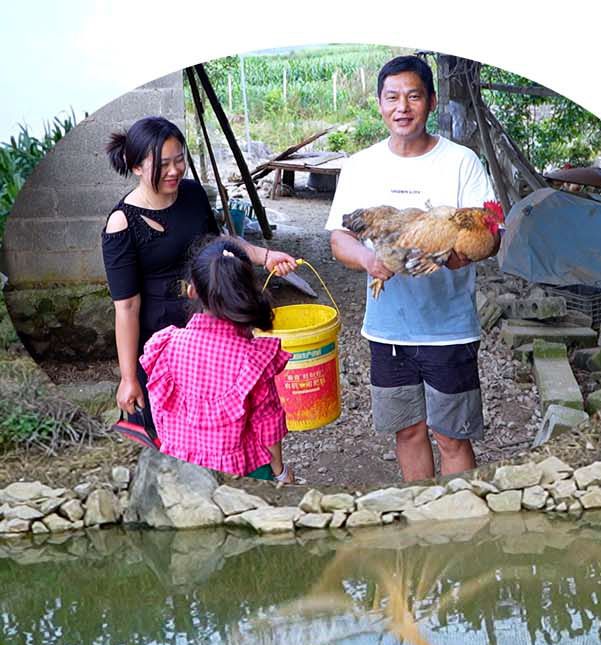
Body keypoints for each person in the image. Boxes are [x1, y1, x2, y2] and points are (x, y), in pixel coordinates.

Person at [325, 54, 499, 481]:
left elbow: (486, 235)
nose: (402, 107)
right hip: (388, 329)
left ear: (431, 101)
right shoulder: (362, 165)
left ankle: (459, 527)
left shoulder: (461, 162)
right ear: (381, 105)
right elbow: (338, 237)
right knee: (408, 432)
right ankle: (421, 524)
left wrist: (458, 255)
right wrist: (369, 259)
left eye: (413, 96)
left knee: (453, 437)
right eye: (392, 97)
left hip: (450, 328)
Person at [102, 116, 295, 448]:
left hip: (209, 326)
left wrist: (264, 256)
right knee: (173, 430)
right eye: (163, 164)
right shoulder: (121, 223)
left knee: (222, 424)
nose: (175, 170)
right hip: (161, 342)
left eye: (180, 160)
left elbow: (216, 242)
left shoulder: (191, 193)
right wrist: (129, 377)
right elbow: (127, 307)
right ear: (136, 166)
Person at [138, 237, 291, 482]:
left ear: (192, 290)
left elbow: (160, 413)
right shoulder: (254, 361)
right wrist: (281, 473)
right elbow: (268, 425)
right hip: (241, 472)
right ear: (247, 290)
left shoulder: (164, 346)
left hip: (180, 472)